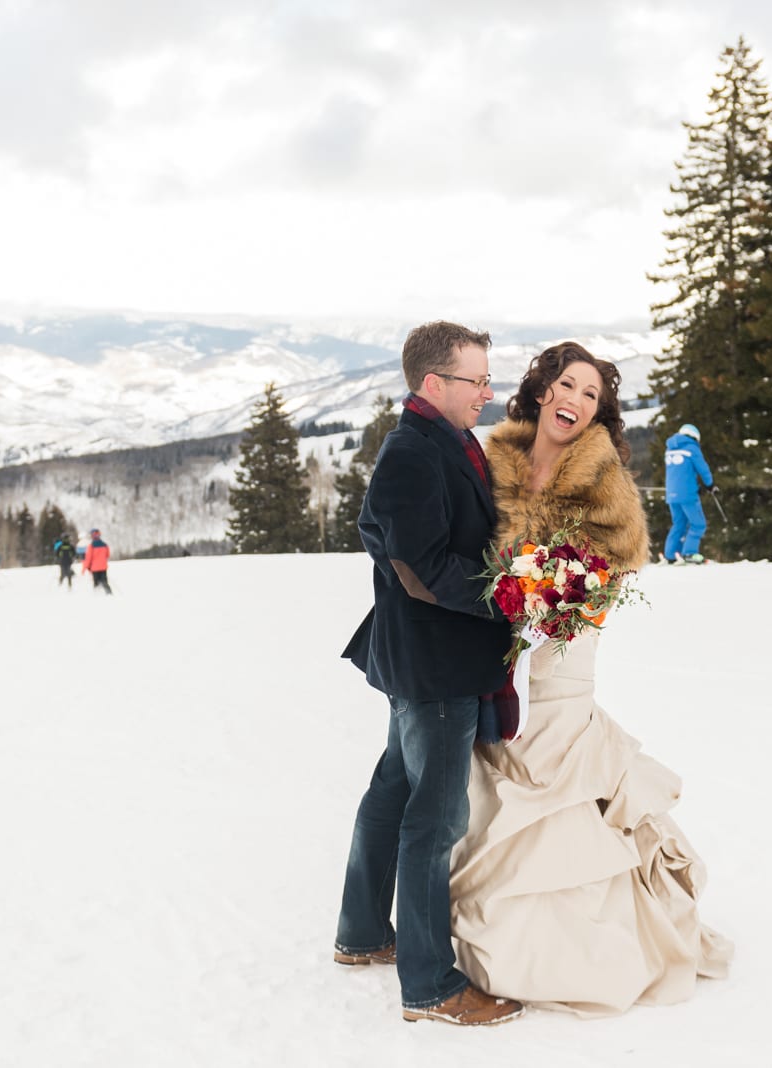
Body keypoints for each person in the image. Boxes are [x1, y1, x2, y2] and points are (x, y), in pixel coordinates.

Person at [452, 341, 732, 1016]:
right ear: (542, 390)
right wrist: (509, 590)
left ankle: (572, 947)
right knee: (495, 764)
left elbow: (623, 557)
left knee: (555, 771)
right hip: (498, 641)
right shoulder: (496, 459)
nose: (576, 400)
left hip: (565, 651)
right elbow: (470, 541)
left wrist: (565, 595)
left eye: (591, 394)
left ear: (598, 411)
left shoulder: (603, 473)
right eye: (566, 385)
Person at [335, 321, 524, 1027]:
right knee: (435, 818)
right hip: (437, 661)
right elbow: (421, 569)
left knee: (393, 790)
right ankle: (430, 985)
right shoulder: (414, 451)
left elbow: (397, 539)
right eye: (477, 381)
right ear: (433, 384)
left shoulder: (436, 439)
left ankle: (360, 933)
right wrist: (508, 597)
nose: (488, 392)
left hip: (418, 653)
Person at [662, 423, 715, 563]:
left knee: (678, 524)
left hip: (671, 494)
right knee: (698, 524)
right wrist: (710, 485)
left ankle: (671, 555)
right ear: (695, 437)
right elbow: (703, 469)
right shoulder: (692, 448)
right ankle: (690, 553)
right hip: (687, 494)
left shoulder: (669, 449)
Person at [82, 529, 114, 594]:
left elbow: (88, 558)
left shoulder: (91, 546)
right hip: (103, 567)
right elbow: (107, 555)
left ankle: (97, 596)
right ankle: (109, 594)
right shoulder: (105, 545)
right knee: (104, 582)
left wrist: (84, 569)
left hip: (94, 568)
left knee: (96, 584)